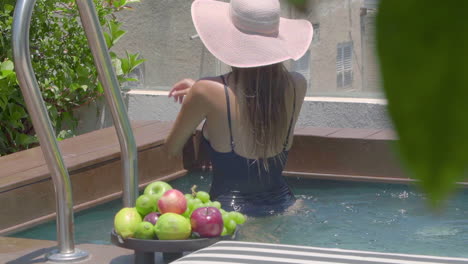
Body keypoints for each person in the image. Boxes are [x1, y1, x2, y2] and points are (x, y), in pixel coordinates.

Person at [164, 0, 313, 216]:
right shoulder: (298, 84)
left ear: (229, 37)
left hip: (232, 216)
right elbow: (257, 103)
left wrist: (197, 95)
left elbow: (171, 149)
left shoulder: (205, 92)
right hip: (287, 207)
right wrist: (202, 91)